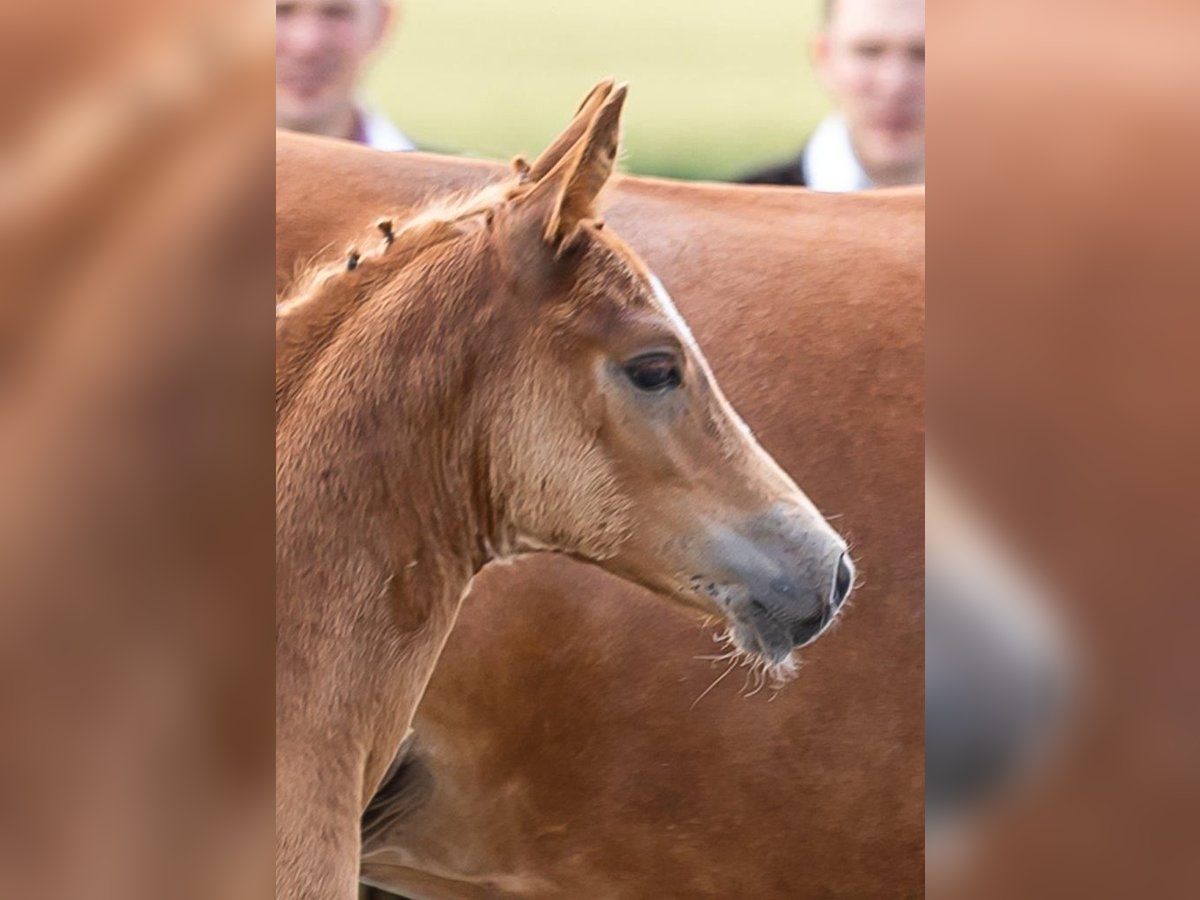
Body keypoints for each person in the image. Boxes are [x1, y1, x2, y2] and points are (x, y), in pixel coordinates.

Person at [740, 0, 924, 189]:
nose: (895, 84)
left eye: (924, 53)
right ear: (824, 56)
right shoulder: (735, 211)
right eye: (869, 52)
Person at [276, 0, 416, 150]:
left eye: (336, 13)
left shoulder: (435, 171)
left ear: (380, 25)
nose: (306, 44)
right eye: (279, 11)